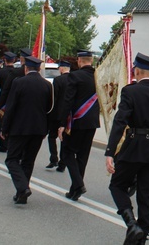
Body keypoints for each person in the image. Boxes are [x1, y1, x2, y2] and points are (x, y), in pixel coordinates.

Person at [105, 52, 149, 245]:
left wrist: (110, 152)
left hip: (133, 146)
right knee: (146, 193)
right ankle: (142, 236)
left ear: (136, 70)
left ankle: (132, 224)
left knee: (117, 185)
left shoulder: (130, 91)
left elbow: (120, 122)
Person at [1, 55, 52, 204]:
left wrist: (5, 128)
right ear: (39, 69)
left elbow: (10, 108)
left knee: (11, 159)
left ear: (26, 68)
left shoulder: (19, 83)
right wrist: (46, 129)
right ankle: (21, 194)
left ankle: (22, 188)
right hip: (39, 129)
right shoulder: (47, 85)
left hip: (19, 128)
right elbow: (49, 110)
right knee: (28, 161)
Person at [58, 50, 100, 201]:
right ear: (91, 60)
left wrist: (62, 124)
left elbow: (67, 101)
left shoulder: (74, 76)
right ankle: (74, 191)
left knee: (67, 153)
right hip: (93, 122)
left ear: (79, 61)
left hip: (77, 121)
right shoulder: (98, 77)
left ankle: (79, 184)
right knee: (83, 156)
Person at [46, 60, 70, 170]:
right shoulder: (74, 79)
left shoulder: (58, 80)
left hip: (57, 114)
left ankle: (54, 158)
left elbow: (53, 98)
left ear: (61, 68)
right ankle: (63, 163)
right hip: (69, 115)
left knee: (52, 137)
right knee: (64, 139)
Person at [0, 51, 17, 152]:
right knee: (13, 121)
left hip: (4, 98)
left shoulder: (1, 71)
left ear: (5, 60)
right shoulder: (16, 72)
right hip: (15, 98)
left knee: (1, 120)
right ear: (14, 60)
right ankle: (11, 143)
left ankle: (3, 145)